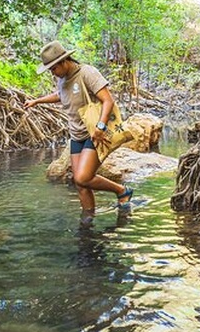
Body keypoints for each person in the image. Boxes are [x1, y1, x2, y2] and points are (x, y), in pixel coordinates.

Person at [23, 41, 133, 226]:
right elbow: (61, 95)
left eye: (54, 68)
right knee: (80, 183)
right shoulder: (61, 78)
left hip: (94, 133)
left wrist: (101, 126)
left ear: (65, 60)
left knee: (83, 177)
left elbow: (108, 100)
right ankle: (87, 220)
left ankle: (122, 190)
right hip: (76, 136)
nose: (52, 72)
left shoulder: (87, 73)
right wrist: (37, 101)